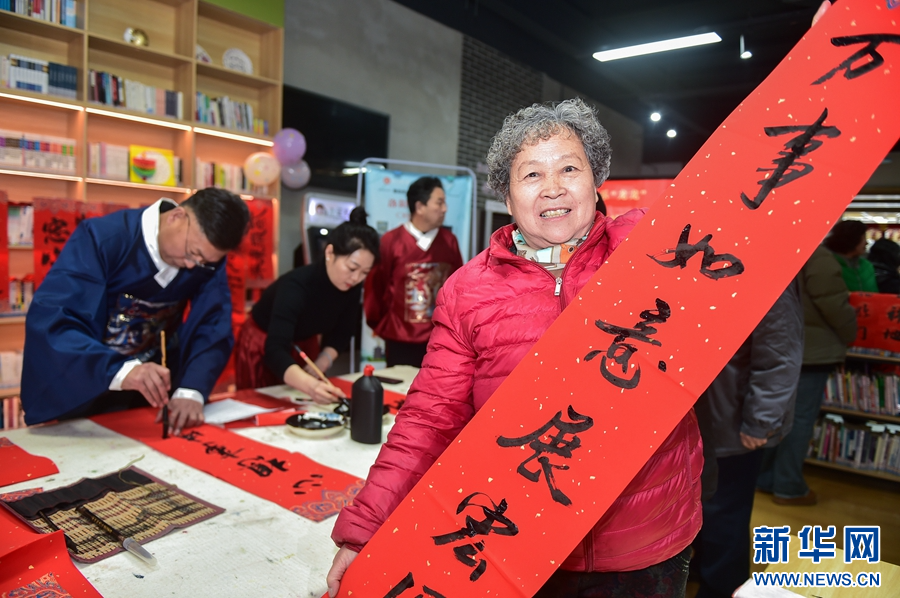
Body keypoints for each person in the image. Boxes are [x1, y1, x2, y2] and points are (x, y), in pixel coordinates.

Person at [327, 98, 702, 598]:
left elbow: (749, 214)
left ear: (596, 181)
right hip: (522, 544)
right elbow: (429, 417)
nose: (553, 188)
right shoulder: (468, 290)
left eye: (570, 168)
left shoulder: (647, 250)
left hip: (644, 540)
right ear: (507, 194)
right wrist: (363, 530)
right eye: (531, 175)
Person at [21, 188, 250, 434]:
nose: (191, 265)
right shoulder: (103, 238)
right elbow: (57, 317)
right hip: (91, 375)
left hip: (153, 384)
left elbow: (213, 323)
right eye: (191, 253)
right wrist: (122, 369)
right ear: (176, 216)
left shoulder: (205, 257)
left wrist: (191, 390)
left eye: (204, 261)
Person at [692, 282, 803, 598]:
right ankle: (702, 571)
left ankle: (721, 587)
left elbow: (780, 355)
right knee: (698, 505)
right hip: (698, 419)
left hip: (731, 419)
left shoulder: (771, 276)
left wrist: (760, 422)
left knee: (726, 514)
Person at [233, 207, 380, 403]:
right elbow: (275, 349)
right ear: (330, 252)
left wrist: (323, 360)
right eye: (352, 268)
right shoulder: (296, 286)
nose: (356, 278)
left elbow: (343, 332)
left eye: (365, 272)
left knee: (303, 406)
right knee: (266, 405)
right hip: (264, 343)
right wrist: (311, 386)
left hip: (303, 344)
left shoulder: (351, 286)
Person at [757, 244, 857, 505]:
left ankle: (766, 478)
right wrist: (850, 335)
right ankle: (788, 485)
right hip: (811, 350)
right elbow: (833, 304)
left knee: (776, 415)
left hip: (776, 346)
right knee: (799, 420)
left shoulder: (775, 250)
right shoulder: (818, 257)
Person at [363, 176, 463, 368]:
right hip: (399, 338)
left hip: (439, 339)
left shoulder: (449, 242)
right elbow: (376, 288)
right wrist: (383, 324)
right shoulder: (391, 241)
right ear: (419, 207)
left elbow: (457, 288)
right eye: (439, 202)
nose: (445, 209)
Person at [823, 219, 877, 292]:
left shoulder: (867, 266)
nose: (866, 243)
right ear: (852, 239)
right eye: (863, 238)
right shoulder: (828, 266)